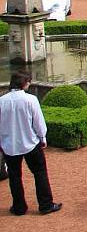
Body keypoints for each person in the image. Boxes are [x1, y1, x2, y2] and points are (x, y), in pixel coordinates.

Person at [0, 72, 62, 216]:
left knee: (15, 176)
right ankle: (45, 205)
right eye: (28, 82)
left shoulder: (2, 101)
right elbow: (39, 123)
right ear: (24, 83)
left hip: (10, 145)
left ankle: (19, 207)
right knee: (40, 172)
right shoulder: (30, 99)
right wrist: (43, 138)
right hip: (30, 143)